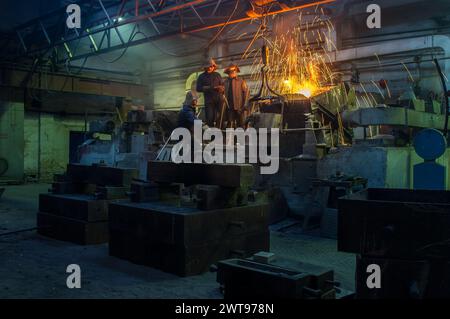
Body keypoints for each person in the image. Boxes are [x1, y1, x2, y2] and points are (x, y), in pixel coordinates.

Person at [196, 58, 224, 127]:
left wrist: (222, 88)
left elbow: (222, 85)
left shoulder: (217, 75)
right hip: (209, 101)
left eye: (212, 66)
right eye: (209, 66)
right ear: (205, 67)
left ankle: (220, 132)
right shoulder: (201, 77)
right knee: (209, 118)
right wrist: (212, 88)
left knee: (221, 117)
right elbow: (198, 88)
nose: (210, 68)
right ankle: (211, 134)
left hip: (219, 100)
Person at [223, 63, 250, 128]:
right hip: (230, 107)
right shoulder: (225, 82)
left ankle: (241, 137)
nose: (233, 73)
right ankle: (230, 137)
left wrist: (245, 105)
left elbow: (246, 94)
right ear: (228, 73)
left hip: (240, 107)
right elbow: (223, 94)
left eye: (234, 71)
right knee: (230, 125)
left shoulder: (241, 81)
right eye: (231, 72)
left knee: (241, 124)